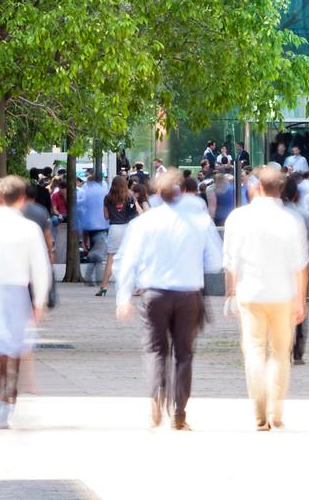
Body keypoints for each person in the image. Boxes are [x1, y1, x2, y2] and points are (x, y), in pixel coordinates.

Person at [112, 168, 222, 431]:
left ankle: (155, 396)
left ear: (157, 194)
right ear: (181, 191)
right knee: (184, 354)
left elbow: (127, 262)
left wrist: (123, 296)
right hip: (189, 294)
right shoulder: (199, 221)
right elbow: (216, 261)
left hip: (155, 294)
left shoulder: (143, 223)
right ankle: (179, 412)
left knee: (155, 350)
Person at [223, 166, 308, 431]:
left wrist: (231, 292)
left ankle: (259, 408)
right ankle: (276, 410)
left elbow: (231, 262)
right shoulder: (291, 220)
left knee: (254, 350)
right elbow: (300, 265)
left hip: (250, 293)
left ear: (258, 187)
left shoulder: (238, 218)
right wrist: (301, 299)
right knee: (280, 354)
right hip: (283, 294)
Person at [0, 175, 51, 428]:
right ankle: (7, 402)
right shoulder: (29, 228)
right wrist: (39, 301)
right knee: (14, 350)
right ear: (22, 200)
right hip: (18, 293)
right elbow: (41, 267)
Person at [281, 175, 309, 365]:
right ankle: (298, 349)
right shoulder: (306, 217)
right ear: (296, 195)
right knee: (300, 306)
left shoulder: (272, 217)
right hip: (300, 269)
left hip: (277, 270)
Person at [98, 175, 137, 299]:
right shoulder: (129, 197)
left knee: (110, 259)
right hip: (127, 228)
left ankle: (104, 286)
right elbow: (136, 213)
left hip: (114, 228)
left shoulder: (107, 198)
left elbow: (106, 216)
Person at [74, 169, 108, 286]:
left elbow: (81, 205)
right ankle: (96, 279)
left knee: (94, 253)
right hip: (102, 225)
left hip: (88, 225)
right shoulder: (104, 190)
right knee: (97, 253)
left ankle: (89, 278)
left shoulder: (87, 191)